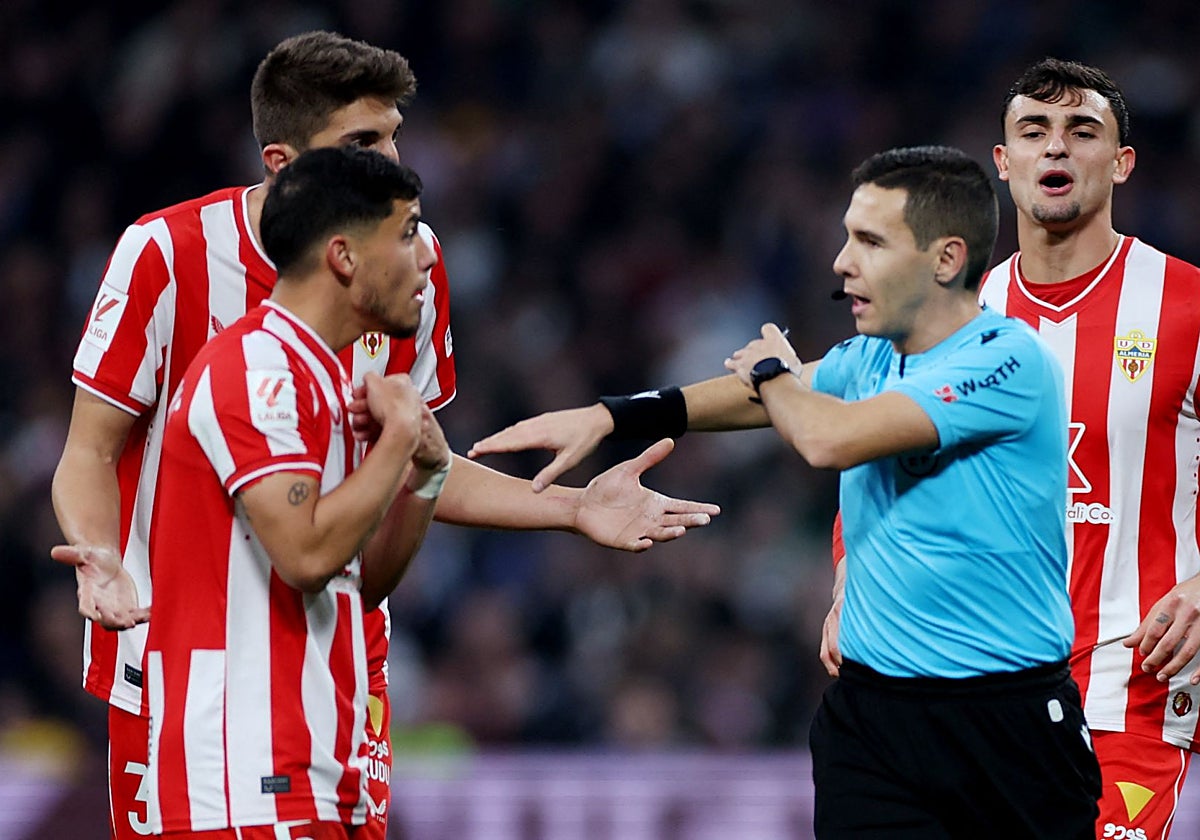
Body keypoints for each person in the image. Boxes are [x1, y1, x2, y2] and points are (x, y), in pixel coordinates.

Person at [49, 31, 719, 840]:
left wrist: (571, 507)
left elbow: (410, 462)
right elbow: (89, 449)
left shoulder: (410, 264)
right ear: (283, 162)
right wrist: (102, 558)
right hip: (182, 660)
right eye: (365, 143)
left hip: (335, 658)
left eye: (396, 135)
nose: (399, 162)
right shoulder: (169, 256)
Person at [473, 144, 1102, 835]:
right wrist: (614, 414)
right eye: (845, 237)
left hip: (1005, 725)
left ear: (946, 259)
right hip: (874, 723)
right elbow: (760, 397)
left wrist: (775, 374)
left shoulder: (1008, 362)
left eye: (869, 240)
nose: (841, 262)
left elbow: (826, 436)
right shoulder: (871, 356)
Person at [145, 144, 444, 837]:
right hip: (241, 778)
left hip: (305, 769)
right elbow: (305, 556)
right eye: (406, 232)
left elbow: (356, 580)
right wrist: (397, 440)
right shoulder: (257, 368)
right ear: (343, 256)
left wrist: (428, 474)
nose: (428, 256)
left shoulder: (323, 381)